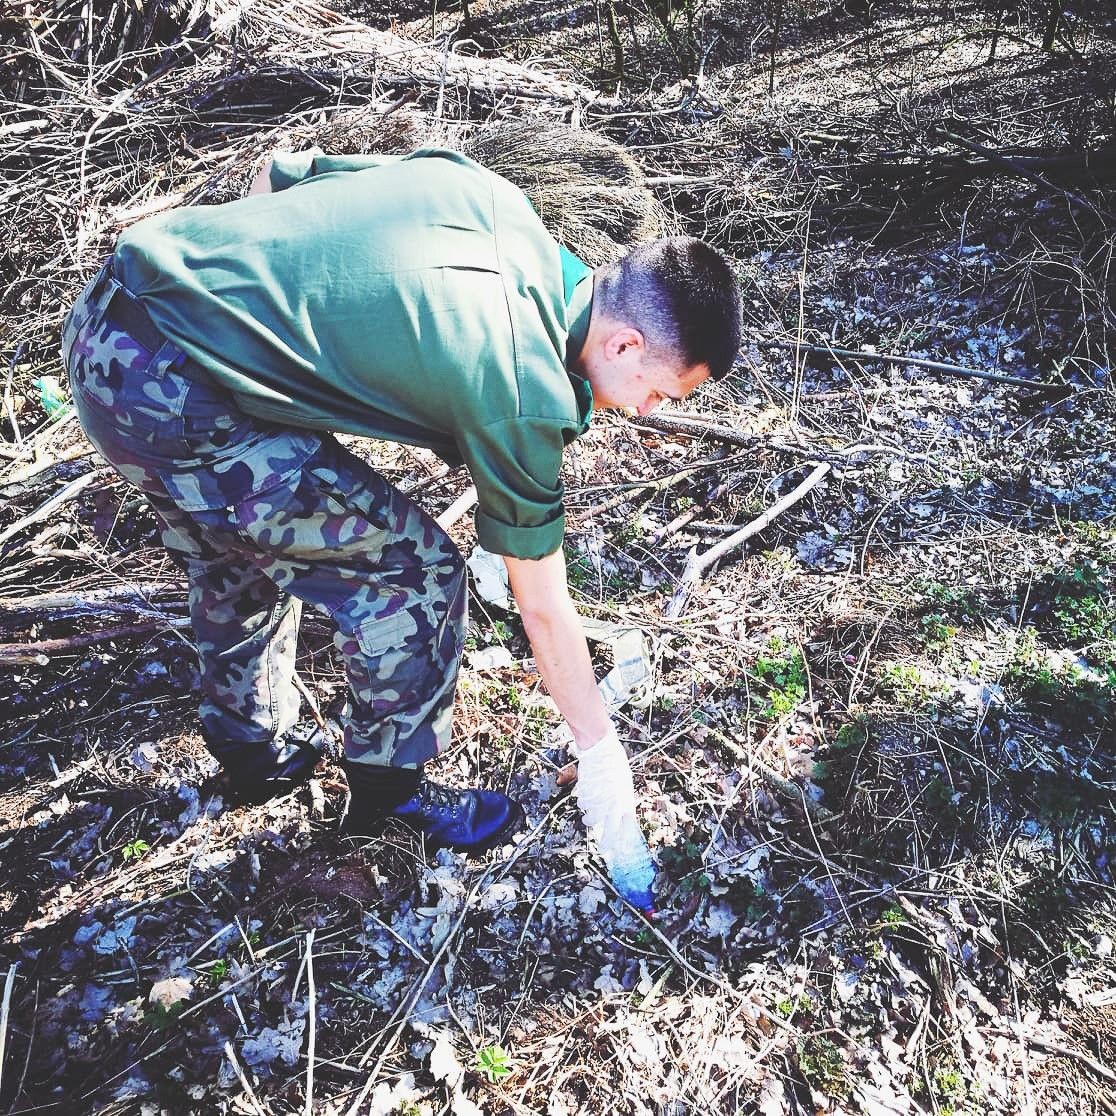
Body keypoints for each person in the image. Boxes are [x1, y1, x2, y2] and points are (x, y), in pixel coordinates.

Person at [61, 145, 742, 864]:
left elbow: (280, 172)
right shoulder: (523, 386)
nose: (641, 413)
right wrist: (601, 755)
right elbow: (541, 602)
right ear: (627, 342)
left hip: (115, 316)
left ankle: (250, 748)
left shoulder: (493, 198)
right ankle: (391, 800)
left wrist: (261, 329)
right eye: (658, 393)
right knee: (415, 573)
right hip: (177, 396)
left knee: (245, 533)